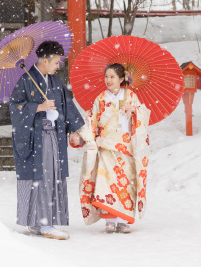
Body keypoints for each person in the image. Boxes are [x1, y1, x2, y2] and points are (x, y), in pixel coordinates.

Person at [9, 40, 85, 240]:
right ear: (44, 60)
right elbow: (15, 107)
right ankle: (44, 224)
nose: (58, 65)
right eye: (57, 62)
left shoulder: (55, 83)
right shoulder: (26, 80)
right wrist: (37, 108)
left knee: (51, 176)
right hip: (35, 137)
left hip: (53, 135)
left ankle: (38, 222)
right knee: (42, 177)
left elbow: (67, 105)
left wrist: (74, 129)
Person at [77, 63, 150, 233]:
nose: (108, 80)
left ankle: (123, 220)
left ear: (122, 79)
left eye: (112, 77)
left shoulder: (131, 96)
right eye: (106, 76)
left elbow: (143, 116)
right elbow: (92, 119)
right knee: (107, 182)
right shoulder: (101, 98)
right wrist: (85, 134)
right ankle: (109, 218)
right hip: (106, 145)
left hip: (126, 146)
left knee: (126, 183)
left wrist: (134, 110)